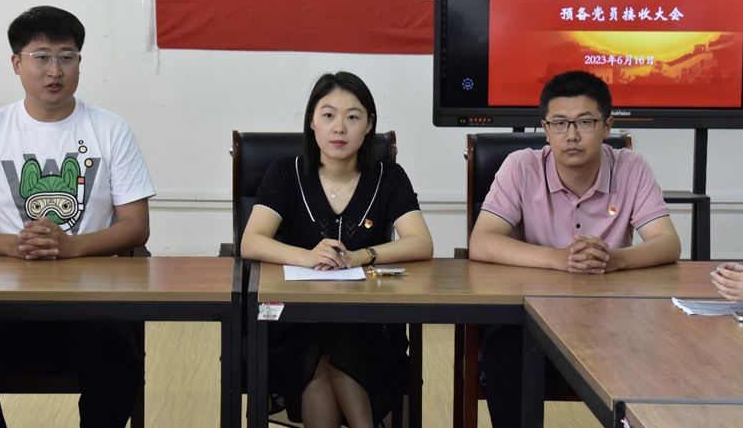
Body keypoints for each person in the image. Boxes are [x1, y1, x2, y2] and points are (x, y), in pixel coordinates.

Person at [0, 6, 155, 428]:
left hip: (90, 307)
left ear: (79, 62)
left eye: (67, 57)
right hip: (2, 307)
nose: (55, 70)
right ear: (17, 63)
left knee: (118, 361)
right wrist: (14, 246)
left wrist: (71, 247)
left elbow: (136, 225)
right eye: (42, 57)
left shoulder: (111, 130)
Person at [469, 70, 681, 427]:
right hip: (530, 316)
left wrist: (614, 260)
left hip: (615, 318)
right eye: (559, 123)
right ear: (545, 128)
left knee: (663, 353)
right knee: (504, 353)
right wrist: (559, 258)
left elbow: (668, 242)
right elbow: (482, 241)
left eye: (584, 122)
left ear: (607, 125)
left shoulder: (631, 167)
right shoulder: (521, 167)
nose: (571, 135)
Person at [241, 71, 433, 428]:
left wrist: (360, 257)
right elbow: (251, 240)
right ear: (311, 122)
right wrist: (307, 257)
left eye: (353, 117)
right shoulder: (286, 173)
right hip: (297, 318)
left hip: (370, 320)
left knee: (340, 341)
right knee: (320, 345)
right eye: (328, 115)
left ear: (369, 124)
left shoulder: (389, 177)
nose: (339, 128)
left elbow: (421, 242)